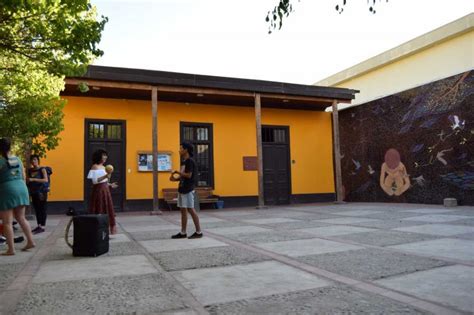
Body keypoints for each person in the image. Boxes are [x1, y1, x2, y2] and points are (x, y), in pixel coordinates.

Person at [0, 138, 35, 255]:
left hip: (7, 190)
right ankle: (30, 241)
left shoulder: (1, 161)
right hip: (21, 188)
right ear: (10, 147)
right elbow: (23, 176)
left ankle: (11, 249)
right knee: (21, 217)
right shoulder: (18, 159)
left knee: (7, 222)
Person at [170, 142, 202, 239]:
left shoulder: (189, 161)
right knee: (183, 210)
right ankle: (183, 232)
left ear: (186, 150)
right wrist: (175, 179)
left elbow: (189, 175)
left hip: (188, 189)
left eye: (181, 148)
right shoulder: (185, 161)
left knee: (191, 209)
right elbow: (184, 177)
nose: (179, 150)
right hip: (182, 189)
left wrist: (177, 172)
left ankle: (199, 232)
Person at [87, 149, 118, 234]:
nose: (105, 157)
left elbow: (105, 182)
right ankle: (98, 229)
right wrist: (105, 176)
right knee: (99, 208)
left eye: (106, 155)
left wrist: (110, 185)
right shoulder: (95, 166)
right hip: (98, 191)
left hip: (105, 190)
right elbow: (95, 181)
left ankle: (105, 230)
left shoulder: (105, 167)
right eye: (103, 155)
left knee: (107, 209)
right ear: (99, 156)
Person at [27, 154, 49, 234]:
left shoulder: (42, 169)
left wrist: (34, 179)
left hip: (42, 192)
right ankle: (39, 225)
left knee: (42, 209)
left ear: (38, 160)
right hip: (34, 192)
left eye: (35, 159)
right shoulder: (30, 170)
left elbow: (45, 180)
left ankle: (43, 226)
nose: (33, 161)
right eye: (32, 160)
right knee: (37, 209)